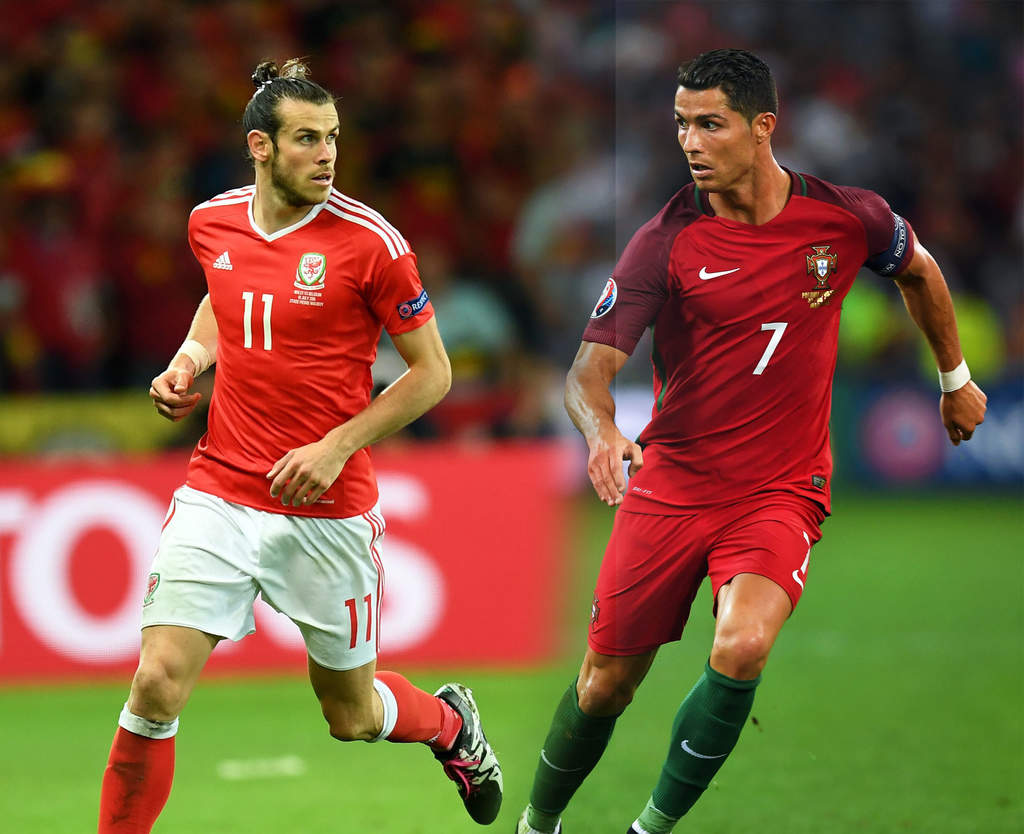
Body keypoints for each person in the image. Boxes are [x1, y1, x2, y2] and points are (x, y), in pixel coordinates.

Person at [516, 48, 987, 834]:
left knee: (739, 647)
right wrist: (601, 433)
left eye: (710, 124)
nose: (690, 142)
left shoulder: (847, 218)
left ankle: (647, 830)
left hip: (780, 489)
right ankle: (538, 824)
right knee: (604, 686)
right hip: (672, 485)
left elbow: (920, 271)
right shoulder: (665, 242)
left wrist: (955, 377)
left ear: (763, 126)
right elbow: (586, 374)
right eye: (681, 124)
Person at [96, 59, 502, 833]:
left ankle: (451, 726)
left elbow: (433, 375)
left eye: (333, 138)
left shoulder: (372, 244)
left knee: (351, 715)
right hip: (220, 488)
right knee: (155, 685)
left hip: (325, 506)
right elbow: (224, 296)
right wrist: (189, 359)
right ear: (261, 147)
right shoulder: (211, 222)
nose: (327, 155)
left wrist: (336, 447)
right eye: (308, 139)